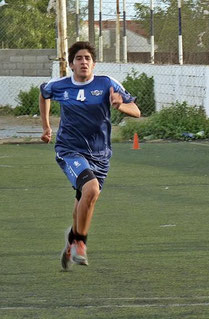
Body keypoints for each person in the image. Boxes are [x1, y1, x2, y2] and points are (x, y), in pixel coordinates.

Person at [39, 41, 141, 270]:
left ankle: (71, 240)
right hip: (69, 150)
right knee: (91, 189)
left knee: (86, 199)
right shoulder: (61, 85)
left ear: (93, 64)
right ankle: (80, 244)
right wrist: (46, 127)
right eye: (79, 58)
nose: (84, 62)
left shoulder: (107, 84)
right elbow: (44, 93)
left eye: (88, 58)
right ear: (72, 65)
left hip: (100, 154)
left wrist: (120, 106)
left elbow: (136, 110)